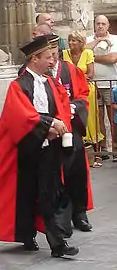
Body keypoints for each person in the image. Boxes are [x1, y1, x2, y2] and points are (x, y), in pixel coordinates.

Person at [0, 36, 79, 258]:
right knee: (25, 195)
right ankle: (27, 235)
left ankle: (57, 244)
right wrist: (49, 124)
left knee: (48, 195)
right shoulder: (18, 86)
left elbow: (60, 108)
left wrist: (58, 124)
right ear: (34, 59)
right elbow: (21, 116)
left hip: (48, 149)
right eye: (47, 57)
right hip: (25, 151)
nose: (52, 61)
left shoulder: (50, 83)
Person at [48, 34, 93, 232]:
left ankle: (79, 213)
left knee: (76, 171)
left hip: (71, 128)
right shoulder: (38, 73)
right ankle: (59, 217)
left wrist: (73, 107)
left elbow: (83, 94)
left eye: (53, 52)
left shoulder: (70, 70)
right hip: (49, 130)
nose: (51, 58)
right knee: (54, 174)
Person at [63, 30, 104, 168]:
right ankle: (78, 155)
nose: (71, 43)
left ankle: (96, 154)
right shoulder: (64, 54)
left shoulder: (88, 53)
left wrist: (75, 76)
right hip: (70, 92)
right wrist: (79, 76)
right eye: (70, 40)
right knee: (75, 120)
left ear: (81, 42)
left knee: (92, 120)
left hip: (87, 90)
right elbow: (63, 73)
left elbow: (91, 74)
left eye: (74, 40)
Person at [87, 15, 117, 159]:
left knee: (113, 118)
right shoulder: (89, 40)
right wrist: (97, 41)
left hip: (112, 85)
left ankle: (116, 148)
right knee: (98, 118)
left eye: (103, 23)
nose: (100, 26)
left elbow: (112, 58)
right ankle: (102, 149)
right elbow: (81, 52)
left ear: (108, 25)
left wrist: (91, 57)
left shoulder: (115, 39)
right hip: (94, 85)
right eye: (98, 23)